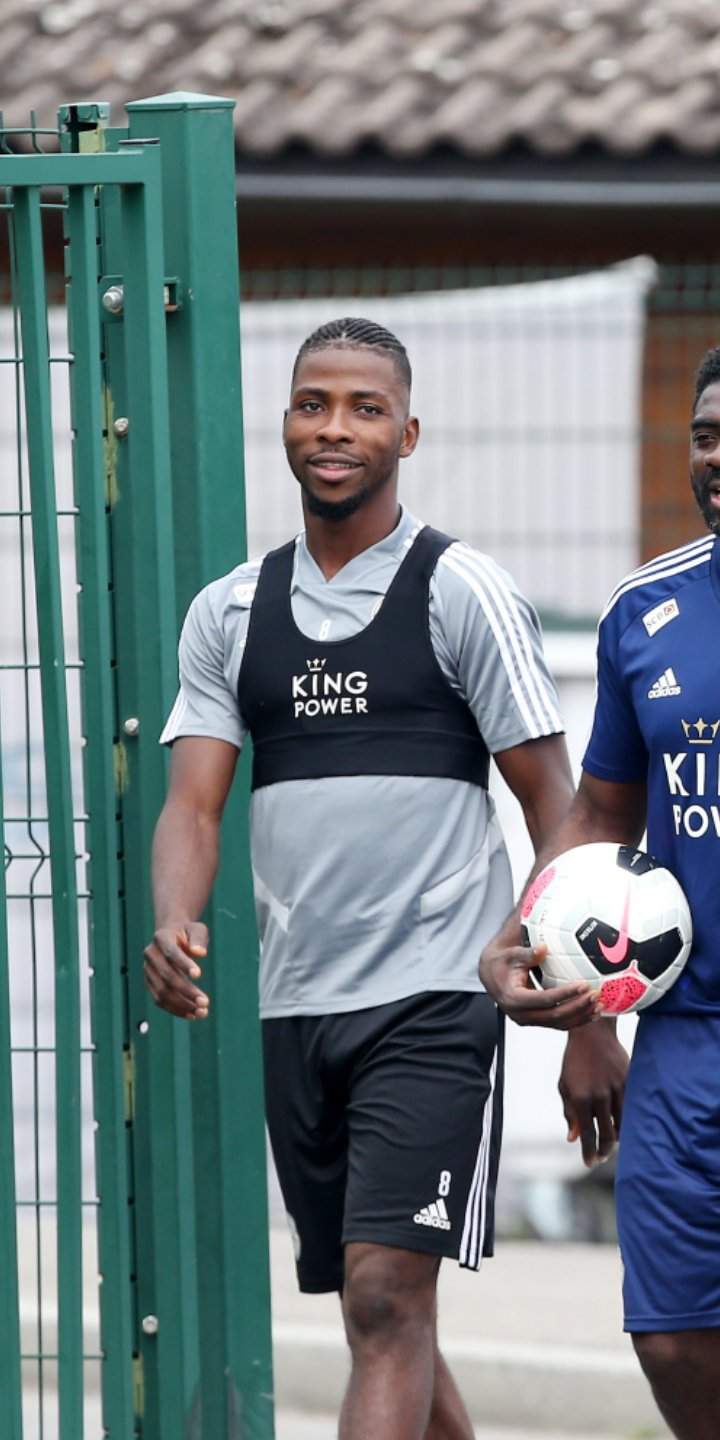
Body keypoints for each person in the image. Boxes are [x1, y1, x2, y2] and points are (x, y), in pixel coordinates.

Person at [144, 316, 597, 1440]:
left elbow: (561, 811)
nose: (334, 428)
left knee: (387, 1295)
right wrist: (173, 918)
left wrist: (583, 1012)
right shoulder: (230, 613)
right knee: (379, 1315)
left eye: (363, 408)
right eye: (313, 404)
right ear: (286, 423)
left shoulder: (460, 591)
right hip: (298, 1010)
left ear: (408, 431)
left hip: (438, 1000)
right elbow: (193, 803)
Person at [481, 345, 720, 1440]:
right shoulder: (648, 612)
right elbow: (598, 826)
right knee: (671, 1335)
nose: (717, 459)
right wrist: (550, 968)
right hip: (687, 1035)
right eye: (707, 435)